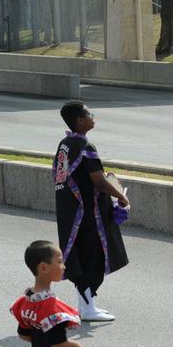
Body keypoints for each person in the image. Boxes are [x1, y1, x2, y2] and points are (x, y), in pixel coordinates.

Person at [55, 101, 130, 322]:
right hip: (88, 215)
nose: (92, 117)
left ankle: (86, 304)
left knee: (83, 256)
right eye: (90, 114)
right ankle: (87, 308)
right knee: (94, 257)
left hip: (71, 213)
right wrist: (121, 196)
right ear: (80, 120)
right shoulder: (85, 147)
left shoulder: (65, 144)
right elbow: (98, 181)